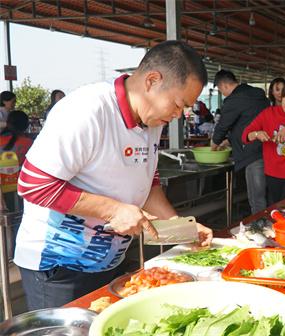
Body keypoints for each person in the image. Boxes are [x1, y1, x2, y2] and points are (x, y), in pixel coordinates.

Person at [14, 40, 213, 310]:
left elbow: (147, 185)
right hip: (58, 268)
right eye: (178, 104)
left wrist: (183, 229)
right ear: (152, 81)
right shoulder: (88, 109)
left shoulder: (150, 121)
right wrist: (113, 210)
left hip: (107, 263)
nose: (179, 115)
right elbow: (33, 184)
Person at [211, 69, 270, 214]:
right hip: (268, 149)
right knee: (265, 195)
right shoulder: (257, 95)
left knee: (256, 198)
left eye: (220, 90)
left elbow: (223, 126)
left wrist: (214, 145)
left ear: (224, 85)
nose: (222, 93)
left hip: (252, 153)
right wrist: (229, 141)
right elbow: (246, 123)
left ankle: (260, 229)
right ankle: (265, 224)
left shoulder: (234, 100)